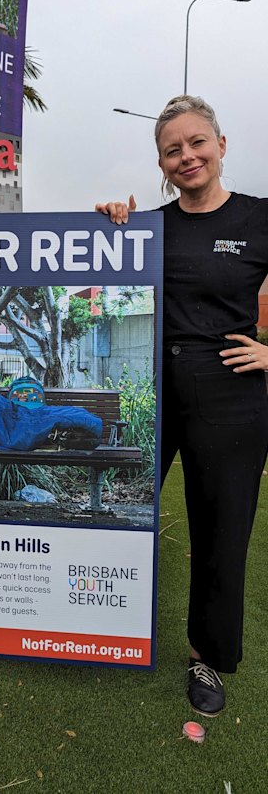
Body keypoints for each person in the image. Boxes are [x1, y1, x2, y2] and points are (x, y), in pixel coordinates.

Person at [96, 95, 268, 717]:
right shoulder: (148, 227)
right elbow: (99, 275)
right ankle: (90, 626)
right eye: (173, 150)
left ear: (221, 145)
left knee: (221, 529)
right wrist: (108, 225)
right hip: (154, 387)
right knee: (114, 505)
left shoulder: (259, 218)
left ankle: (207, 656)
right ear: (161, 165)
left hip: (230, 392)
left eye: (197, 142)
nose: (187, 156)